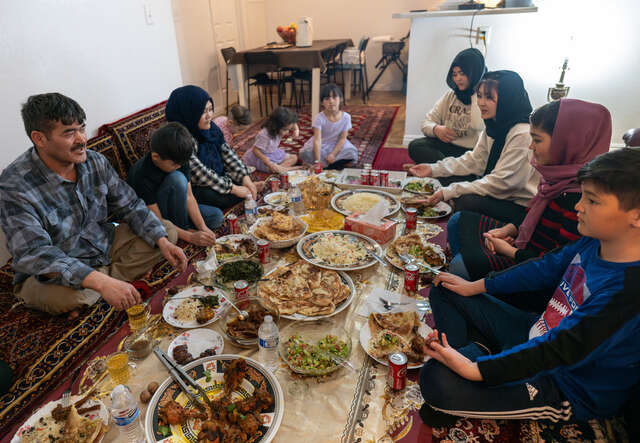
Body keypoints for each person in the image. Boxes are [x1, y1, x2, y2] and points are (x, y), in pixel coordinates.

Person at [417, 147, 640, 427]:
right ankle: (482, 354)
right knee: (447, 287)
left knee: (436, 382)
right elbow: (543, 267)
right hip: (534, 331)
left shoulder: (629, 291)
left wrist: (476, 370)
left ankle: (480, 358)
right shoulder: (595, 240)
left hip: (564, 384)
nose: (578, 206)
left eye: (592, 200)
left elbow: (560, 348)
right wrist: (476, 286)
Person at [0, 93, 187, 316]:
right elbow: (34, 253)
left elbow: (130, 205)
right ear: (40, 139)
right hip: (51, 269)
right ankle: (104, 283)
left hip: (102, 244)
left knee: (166, 232)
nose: (82, 139)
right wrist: (97, 280)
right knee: (71, 297)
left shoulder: (94, 161)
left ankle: (102, 285)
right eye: (69, 133)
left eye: (82, 128)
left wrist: (161, 241)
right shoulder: (14, 185)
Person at [447, 99, 612, 281]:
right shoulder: (556, 175)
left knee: (460, 267)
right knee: (459, 220)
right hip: (527, 246)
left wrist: (512, 252)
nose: (531, 146)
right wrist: (509, 230)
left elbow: (556, 265)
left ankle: (474, 286)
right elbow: (532, 215)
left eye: (537, 140)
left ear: (566, 142)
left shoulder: (582, 198)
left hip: (535, 272)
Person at [408, 70, 539, 225]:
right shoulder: (494, 125)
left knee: (464, 200)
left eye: (489, 97)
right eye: (480, 95)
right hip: (497, 190)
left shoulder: (522, 133)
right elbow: (476, 160)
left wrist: (451, 191)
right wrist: (433, 169)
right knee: (454, 187)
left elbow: (503, 183)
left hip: (517, 205)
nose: (481, 102)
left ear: (507, 99)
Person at [165, 85, 262, 210]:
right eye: (203, 112)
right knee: (214, 196)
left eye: (210, 109)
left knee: (242, 177)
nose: (209, 115)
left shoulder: (211, 128)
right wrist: (235, 189)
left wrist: (245, 179)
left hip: (214, 176)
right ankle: (240, 194)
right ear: (189, 114)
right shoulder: (180, 139)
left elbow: (227, 153)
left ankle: (243, 189)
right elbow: (200, 174)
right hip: (196, 186)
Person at [127, 122, 221, 246]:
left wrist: (203, 228)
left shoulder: (180, 159)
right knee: (177, 179)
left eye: (181, 164)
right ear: (156, 157)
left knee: (216, 217)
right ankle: (183, 230)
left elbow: (188, 197)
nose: (179, 167)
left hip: (177, 208)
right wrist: (191, 237)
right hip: (155, 218)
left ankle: (183, 229)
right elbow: (157, 220)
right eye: (174, 165)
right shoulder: (141, 175)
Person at [407, 48, 486, 164]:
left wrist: (476, 92)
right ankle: (449, 172)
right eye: (454, 74)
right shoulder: (450, 96)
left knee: (474, 165)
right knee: (415, 146)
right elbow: (426, 123)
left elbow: (478, 125)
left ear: (474, 73)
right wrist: (436, 129)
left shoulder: (484, 98)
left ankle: (442, 171)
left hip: (471, 153)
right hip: (447, 147)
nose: (458, 78)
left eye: (463, 73)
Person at [299, 83, 358, 169]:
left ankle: (329, 163)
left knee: (351, 153)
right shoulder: (319, 118)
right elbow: (317, 140)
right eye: (327, 99)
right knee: (305, 153)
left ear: (340, 99)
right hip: (322, 144)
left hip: (337, 145)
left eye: (334, 97)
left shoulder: (346, 117)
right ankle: (330, 164)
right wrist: (317, 161)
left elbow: (342, 139)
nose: (331, 101)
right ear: (322, 102)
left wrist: (333, 154)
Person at [242, 106, 300, 173]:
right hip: (261, 157)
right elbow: (256, 150)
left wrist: (296, 129)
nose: (287, 132)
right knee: (271, 168)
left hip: (272, 152)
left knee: (294, 158)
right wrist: (268, 163)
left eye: (289, 129)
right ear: (276, 126)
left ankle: (280, 168)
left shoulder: (282, 126)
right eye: (285, 129)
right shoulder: (264, 135)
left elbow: (293, 123)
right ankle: (281, 169)